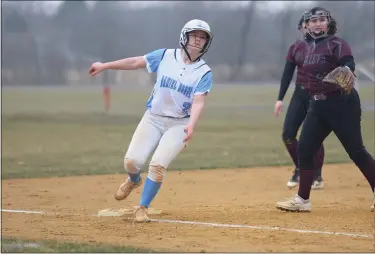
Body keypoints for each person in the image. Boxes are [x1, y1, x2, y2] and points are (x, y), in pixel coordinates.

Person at [89, 19, 214, 222]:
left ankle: (142, 208)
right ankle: (133, 180)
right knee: (132, 161)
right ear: (185, 36)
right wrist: (105, 66)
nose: (198, 40)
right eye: (194, 36)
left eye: (202, 38)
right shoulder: (165, 56)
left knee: (157, 165)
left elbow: (199, 102)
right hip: (153, 118)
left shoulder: (204, 72)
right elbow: (134, 62)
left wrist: (191, 125)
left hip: (180, 123)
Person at [276, 7, 375, 212]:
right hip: (317, 105)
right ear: (307, 25)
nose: (317, 23)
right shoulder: (306, 47)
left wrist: (346, 69)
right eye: (313, 21)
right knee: (304, 148)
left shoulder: (336, 43)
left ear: (328, 23)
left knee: (356, 151)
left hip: (342, 104)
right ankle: (303, 200)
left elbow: (348, 62)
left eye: (322, 19)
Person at [274, 13, 325, 190]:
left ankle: (316, 175)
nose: (308, 27)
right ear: (302, 27)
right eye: (306, 24)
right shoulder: (296, 47)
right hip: (300, 94)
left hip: (318, 95)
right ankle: (301, 168)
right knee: (288, 134)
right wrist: (280, 99)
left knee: (313, 137)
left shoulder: (325, 46)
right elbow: (287, 74)